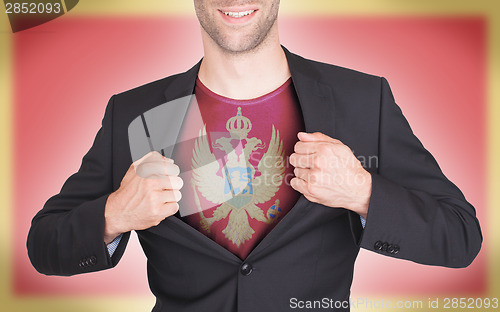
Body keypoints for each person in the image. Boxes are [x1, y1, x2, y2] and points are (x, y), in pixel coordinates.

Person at [27, 1, 482, 311]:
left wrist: (364, 192)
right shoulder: (137, 113)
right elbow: (44, 245)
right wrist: (113, 215)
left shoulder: (362, 100)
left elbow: (460, 236)